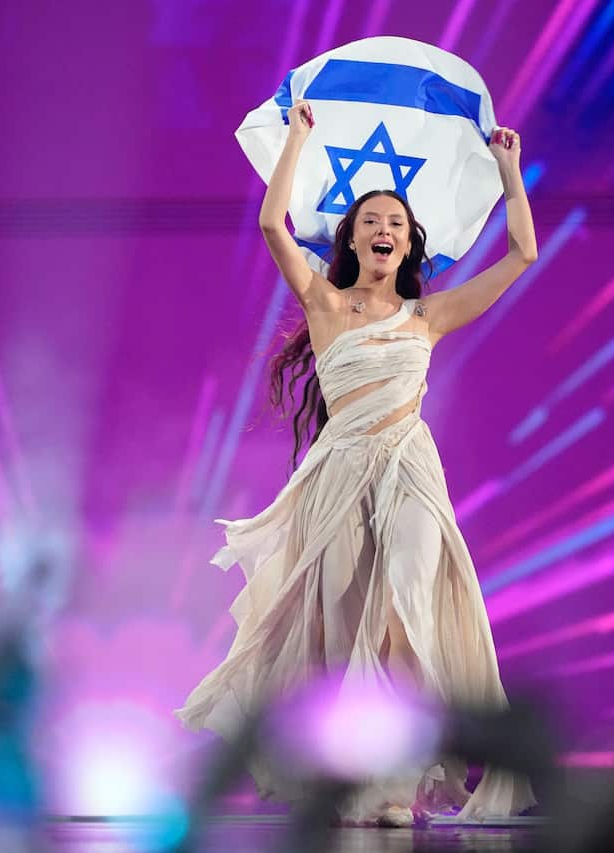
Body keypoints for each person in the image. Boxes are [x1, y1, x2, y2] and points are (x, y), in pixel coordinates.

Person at [176, 98, 539, 827]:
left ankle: (400, 781)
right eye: (371, 220)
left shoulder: (426, 317)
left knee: (406, 604)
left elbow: (523, 255)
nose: (382, 229)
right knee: (344, 634)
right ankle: (350, 776)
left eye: (395, 223)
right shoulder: (326, 303)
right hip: (338, 476)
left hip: (409, 465)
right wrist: (296, 144)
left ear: (410, 246)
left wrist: (508, 172)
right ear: (353, 236)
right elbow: (271, 225)